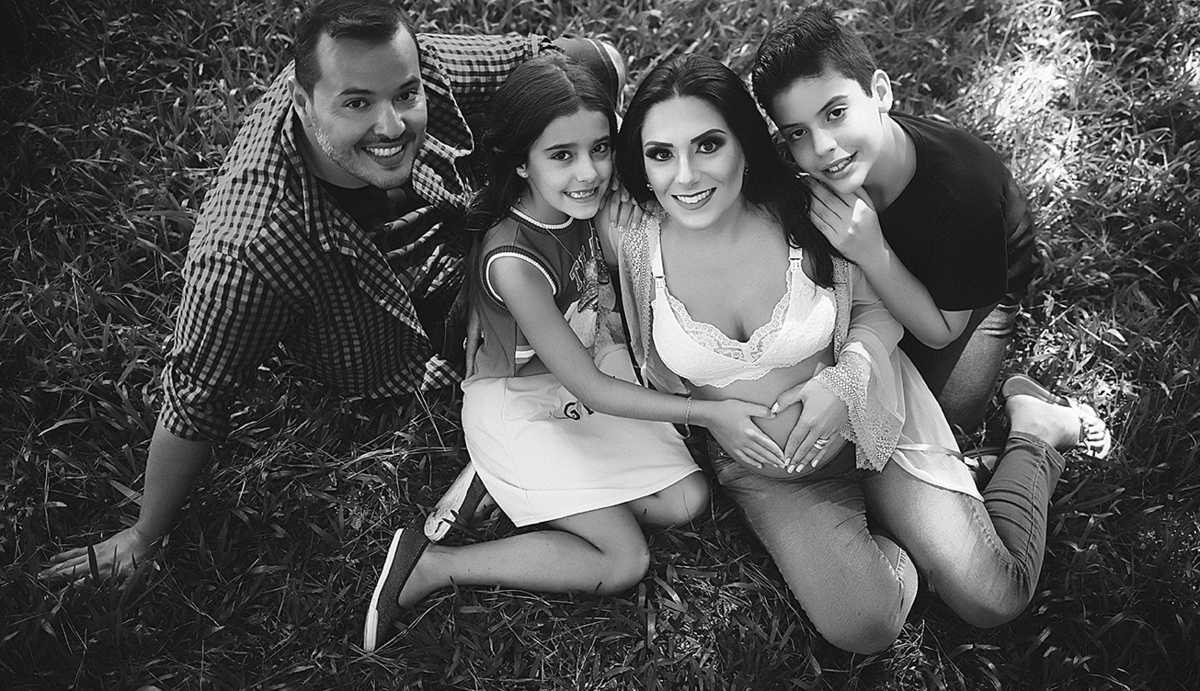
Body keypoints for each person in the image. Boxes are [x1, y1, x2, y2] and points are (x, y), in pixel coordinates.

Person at [39, 0, 625, 585]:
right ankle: (510, 444)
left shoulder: (398, 66)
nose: (391, 126)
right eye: (357, 104)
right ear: (302, 102)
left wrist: (592, 133)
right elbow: (197, 396)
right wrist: (146, 534)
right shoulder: (250, 250)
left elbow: (540, 58)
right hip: (413, 322)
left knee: (590, 62)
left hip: (477, 233)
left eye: (406, 95)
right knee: (609, 282)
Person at [607, 53, 1111, 654]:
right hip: (779, 478)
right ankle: (903, 541)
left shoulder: (807, 209)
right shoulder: (630, 241)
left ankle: (1036, 432)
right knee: (864, 628)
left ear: (744, 143)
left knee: (994, 599)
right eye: (661, 153)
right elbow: (550, 154)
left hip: (875, 417)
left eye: (708, 145)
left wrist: (845, 382)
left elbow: (877, 310)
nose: (686, 176)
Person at [362, 52, 782, 652]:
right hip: (522, 404)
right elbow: (592, 388)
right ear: (522, 163)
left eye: (601, 148)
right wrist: (710, 413)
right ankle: (432, 565)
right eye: (561, 156)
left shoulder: (585, 204)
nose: (589, 173)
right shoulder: (514, 262)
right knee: (622, 560)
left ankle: (513, 487)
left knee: (687, 500)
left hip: (580, 375)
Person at [750, 3, 1044, 434]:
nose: (823, 146)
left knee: (943, 418)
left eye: (836, 113)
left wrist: (871, 251)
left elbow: (941, 330)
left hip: (969, 285)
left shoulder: (965, 190)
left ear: (880, 93)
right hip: (878, 265)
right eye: (798, 132)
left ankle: (1035, 407)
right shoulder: (808, 164)